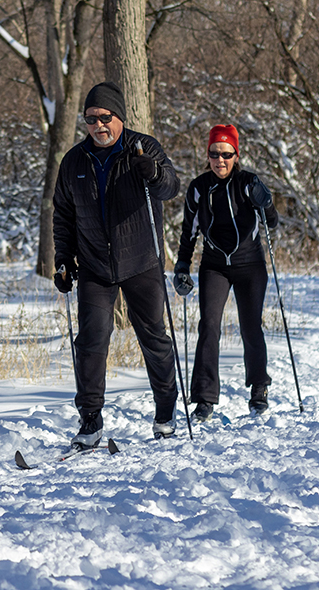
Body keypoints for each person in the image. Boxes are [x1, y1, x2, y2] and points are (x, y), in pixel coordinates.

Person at [53, 81, 182, 446]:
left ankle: (165, 412)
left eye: (104, 117)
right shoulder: (75, 160)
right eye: (90, 119)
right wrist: (64, 258)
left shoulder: (144, 148)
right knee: (92, 341)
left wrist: (152, 172)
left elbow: (170, 187)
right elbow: (62, 213)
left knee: (153, 338)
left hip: (141, 260)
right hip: (95, 265)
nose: (98, 126)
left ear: (119, 117)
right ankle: (90, 420)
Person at [173, 124, 279, 421]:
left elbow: (272, 223)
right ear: (207, 155)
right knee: (209, 326)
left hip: (250, 265)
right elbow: (188, 232)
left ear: (236, 154)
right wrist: (182, 265)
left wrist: (266, 201)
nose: (220, 160)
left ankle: (259, 387)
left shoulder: (248, 183)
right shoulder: (198, 187)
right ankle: (204, 398)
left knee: (250, 327)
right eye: (214, 153)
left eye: (226, 154)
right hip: (214, 265)